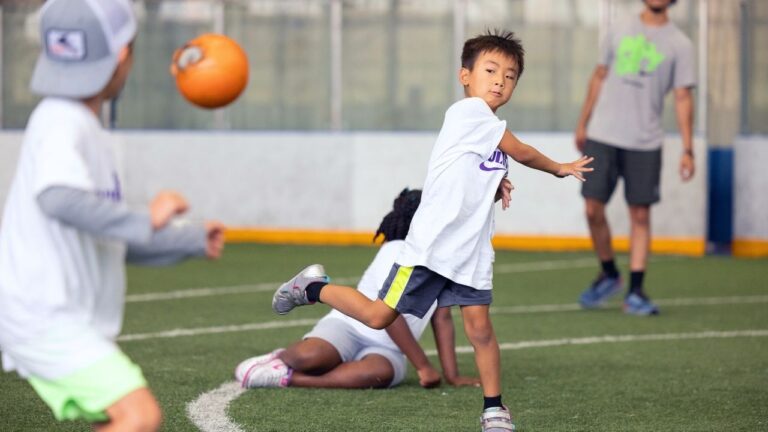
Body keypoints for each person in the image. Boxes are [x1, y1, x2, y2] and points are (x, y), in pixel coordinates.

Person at [271, 30, 593, 432]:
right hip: (429, 250)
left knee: (481, 331)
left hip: (470, 254)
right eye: (490, 70)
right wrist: (559, 167)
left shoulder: (489, 136)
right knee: (377, 315)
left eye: (510, 76)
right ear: (465, 76)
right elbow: (521, 150)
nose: (499, 81)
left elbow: (471, 188)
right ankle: (311, 287)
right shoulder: (469, 114)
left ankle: (494, 410)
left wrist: (497, 187)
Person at [0, 1, 224, 431]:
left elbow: (104, 235)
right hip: (42, 314)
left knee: (120, 417)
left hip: (58, 315)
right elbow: (59, 200)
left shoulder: (84, 131)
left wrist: (189, 240)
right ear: (123, 55)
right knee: (138, 416)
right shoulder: (62, 121)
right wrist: (147, 218)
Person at [235, 189, 479, 390]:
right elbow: (388, 316)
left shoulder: (443, 262)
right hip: (350, 326)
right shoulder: (397, 250)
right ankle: (281, 359)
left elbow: (442, 318)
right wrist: (423, 365)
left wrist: (452, 375)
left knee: (377, 374)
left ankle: (288, 378)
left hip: (388, 348)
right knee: (310, 358)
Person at [574, 0, 696, 316]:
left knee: (640, 215)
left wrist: (687, 148)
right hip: (602, 135)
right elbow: (599, 75)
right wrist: (583, 122)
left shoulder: (680, 45)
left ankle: (636, 291)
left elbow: (683, 97)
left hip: (645, 142)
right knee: (592, 208)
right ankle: (609, 273)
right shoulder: (619, 28)